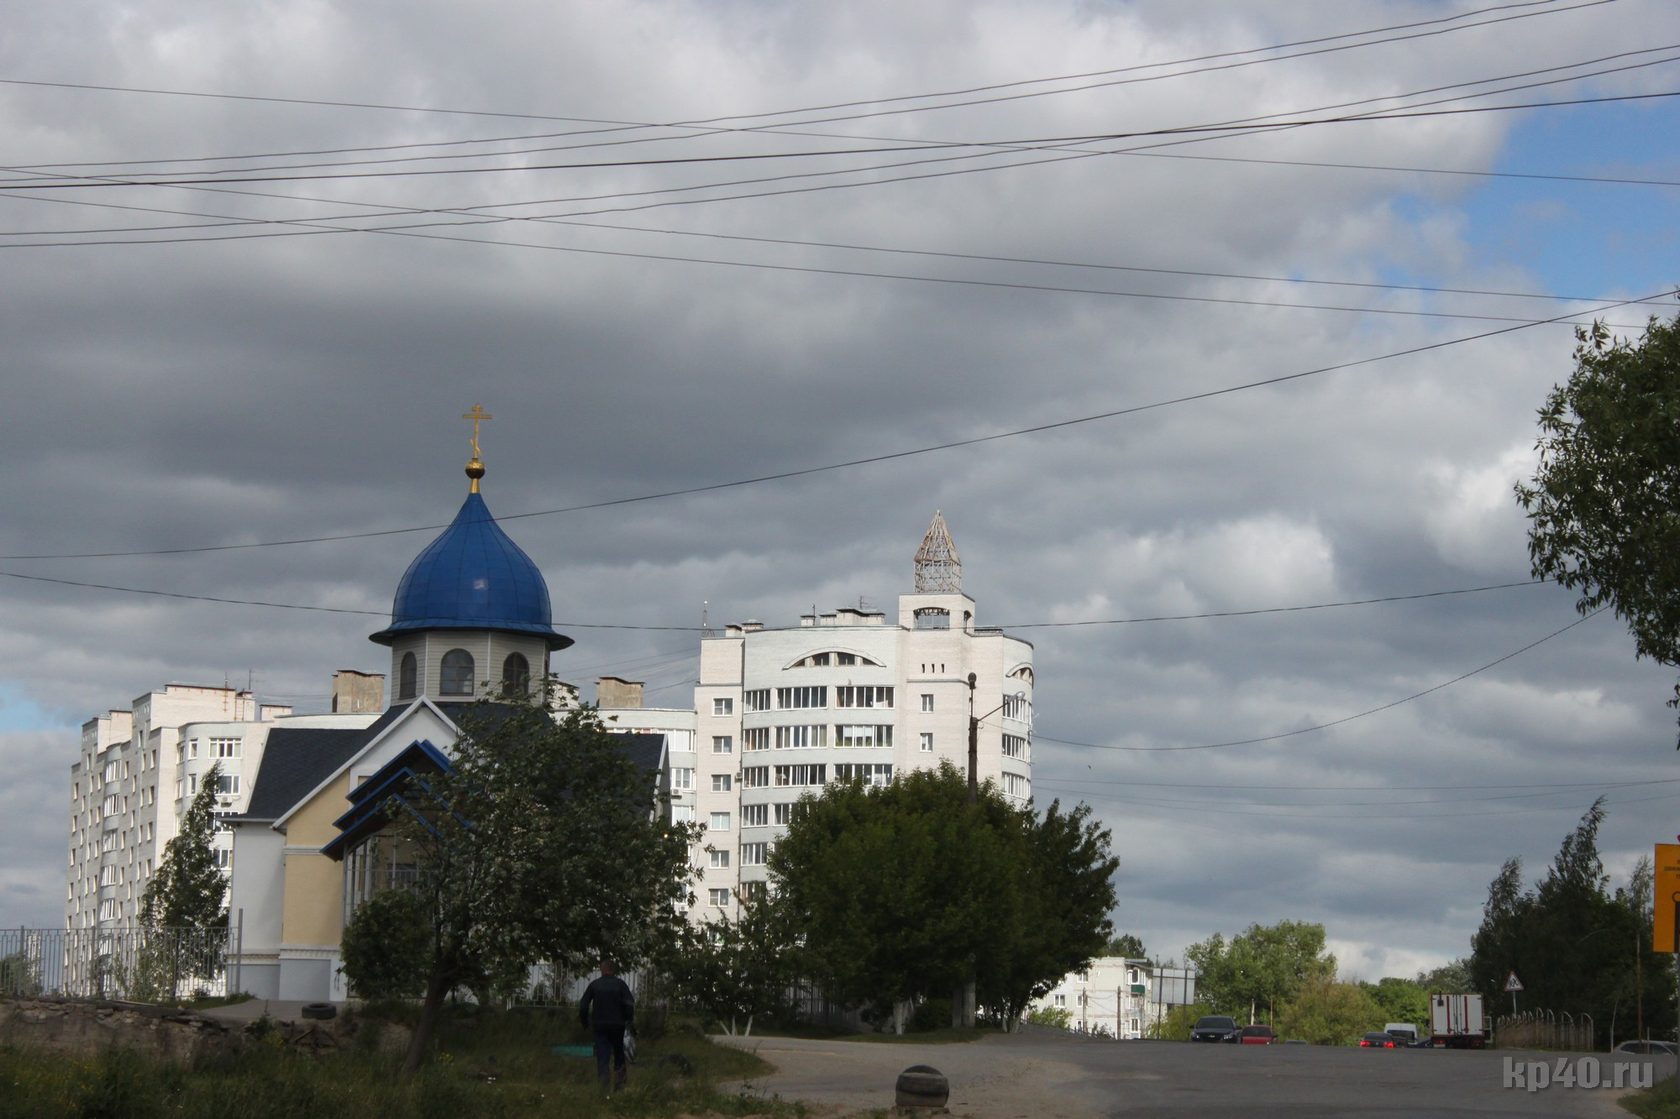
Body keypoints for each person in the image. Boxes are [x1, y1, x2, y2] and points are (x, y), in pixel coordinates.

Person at [578, 958, 635, 1091]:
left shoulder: (595, 985)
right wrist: (628, 1020)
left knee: (602, 1054)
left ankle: (604, 1082)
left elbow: (583, 1005)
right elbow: (629, 1004)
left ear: (602, 969)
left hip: (599, 1025)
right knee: (619, 1053)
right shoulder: (620, 985)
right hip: (618, 1025)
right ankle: (619, 1084)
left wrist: (585, 1022)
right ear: (612, 970)